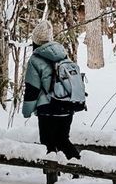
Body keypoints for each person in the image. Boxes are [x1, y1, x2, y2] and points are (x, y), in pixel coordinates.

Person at [22, 19, 81, 160]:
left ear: (35, 40)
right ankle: (78, 168)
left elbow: (32, 89)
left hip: (48, 109)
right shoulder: (62, 54)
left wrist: (26, 111)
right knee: (62, 140)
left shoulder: (35, 60)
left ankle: (53, 177)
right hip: (67, 105)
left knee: (48, 144)